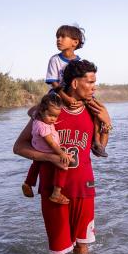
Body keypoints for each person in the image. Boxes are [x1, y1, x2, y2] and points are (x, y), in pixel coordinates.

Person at [14, 59, 112, 254]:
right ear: (75, 83)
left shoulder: (92, 111)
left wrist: (106, 123)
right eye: (91, 82)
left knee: (83, 248)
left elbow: (99, 150)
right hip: (53, 191)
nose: (95, 87)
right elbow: (19, 147)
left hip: (84, 188)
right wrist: (49, 157)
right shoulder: (50, 111)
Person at [44, 24, 108, 158]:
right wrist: (66, 98)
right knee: (43, 109)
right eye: (57, 37)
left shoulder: (80, 62)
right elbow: (53, 82)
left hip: (79, 96)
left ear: (75, 42)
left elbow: (83, 82)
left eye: (62, 37)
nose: (58, 40)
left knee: (96, 111)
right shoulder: (55, 60)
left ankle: (96, 141)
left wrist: (85, 101)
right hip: (58, 93)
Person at [22, 92, 72, 204]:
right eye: (50, 115)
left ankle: (28, 183)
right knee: (63, 165)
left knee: (35, 165)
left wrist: (39, 109)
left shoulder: (36, 117)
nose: (53, 119)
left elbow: (29, 111)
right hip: (47, 149)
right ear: (42, 110)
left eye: (56, 116)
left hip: (37, 148)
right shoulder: (43, 126)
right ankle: (56, 193)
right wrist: (61, 154)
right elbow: (51, 143)